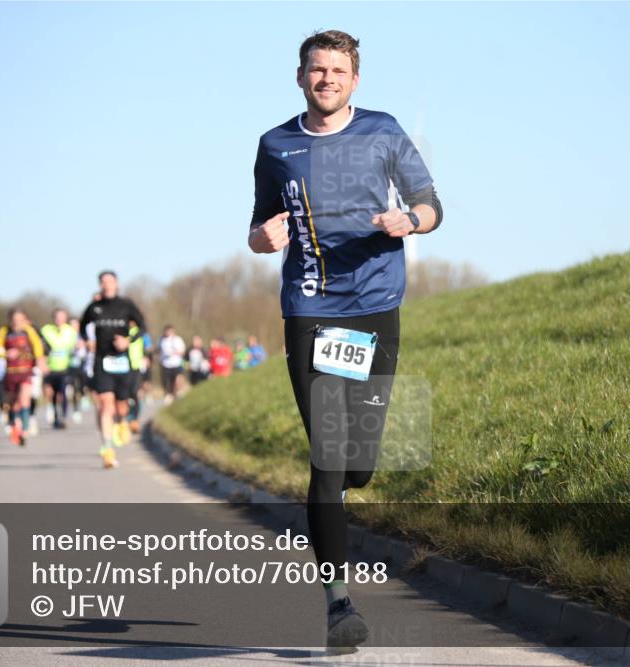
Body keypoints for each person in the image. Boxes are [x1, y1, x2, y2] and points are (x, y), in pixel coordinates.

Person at [247, 30, 442, 648]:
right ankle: (338, 605)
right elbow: (257, 225)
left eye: (337, 70)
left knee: (359, 465)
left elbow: (432, 205)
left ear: (354, 80)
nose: (326, 78)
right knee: (329, 457)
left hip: (375, 309)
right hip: (309, 310)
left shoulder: (383, 131)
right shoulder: (275, 145)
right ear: (299, 77)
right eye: (316, 70)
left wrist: (408, 220)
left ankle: (352, 483)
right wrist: (263, 239)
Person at [79, 272, 147, 469]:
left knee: (121, 407)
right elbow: (83, 327)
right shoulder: (95, 308)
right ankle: (107, 449)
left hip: (122, 361)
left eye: (110, 281)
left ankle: (122, 420)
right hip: (102, 360)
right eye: (103, 282)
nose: (106, 285)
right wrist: (88, 339)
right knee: (105, 406)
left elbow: (143, 327)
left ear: (116, 283)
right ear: (100, 284)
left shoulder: (126, 305)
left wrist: (129, 341)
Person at [0, 309, 49, 446]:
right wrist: (5, 353)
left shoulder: (29, 331)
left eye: (19, 319)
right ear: (10, 320)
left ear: (24, 320)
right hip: (11, 372)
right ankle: (14, 423)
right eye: (14, 320)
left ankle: (25, 430)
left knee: (24, 399)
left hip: (26, 371)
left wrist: (40, 361)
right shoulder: (5, 332)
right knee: (13, 402)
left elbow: (37, 346)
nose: (16, 322)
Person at [40, 308, 79, 429]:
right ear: (53, 318)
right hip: (50, 367)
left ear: (66, 319)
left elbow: (75, 348)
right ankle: (53, 413)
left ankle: (63, 416)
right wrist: (42, 362)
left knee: (63, 392)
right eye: (57, 317)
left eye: (62, 317)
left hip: (65, 368)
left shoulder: (71, 331)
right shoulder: (46, 330)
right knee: (51, 393)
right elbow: (39, 348)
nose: (59, 320)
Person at [126, 319, 152, 434]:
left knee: (136, 393)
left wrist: (147, 358)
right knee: (126, 394)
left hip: (137, 367)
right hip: (124, 367)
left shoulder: (142, 333)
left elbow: (148, 348)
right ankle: (127, 418)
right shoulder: (123, 331)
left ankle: (135, 420)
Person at [158, 325, 186, 404]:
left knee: (177, 380)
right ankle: (169, 395)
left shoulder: (177, 339)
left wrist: (174, 353)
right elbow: (158, 349)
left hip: (176, 363)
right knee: (167, 382)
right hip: (165, 364)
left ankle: (178, 392)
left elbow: (183, 352)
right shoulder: (161, 339)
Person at [67, 317, 87, 424]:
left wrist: (84, 345)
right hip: (72, 364)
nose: (73, 327)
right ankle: (76, 410)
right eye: (71, 325)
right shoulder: (67, 336)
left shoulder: (83, 335)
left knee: (83, 384)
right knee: (74, 387)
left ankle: (84, 394)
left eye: (75, 324)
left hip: (83, 364)